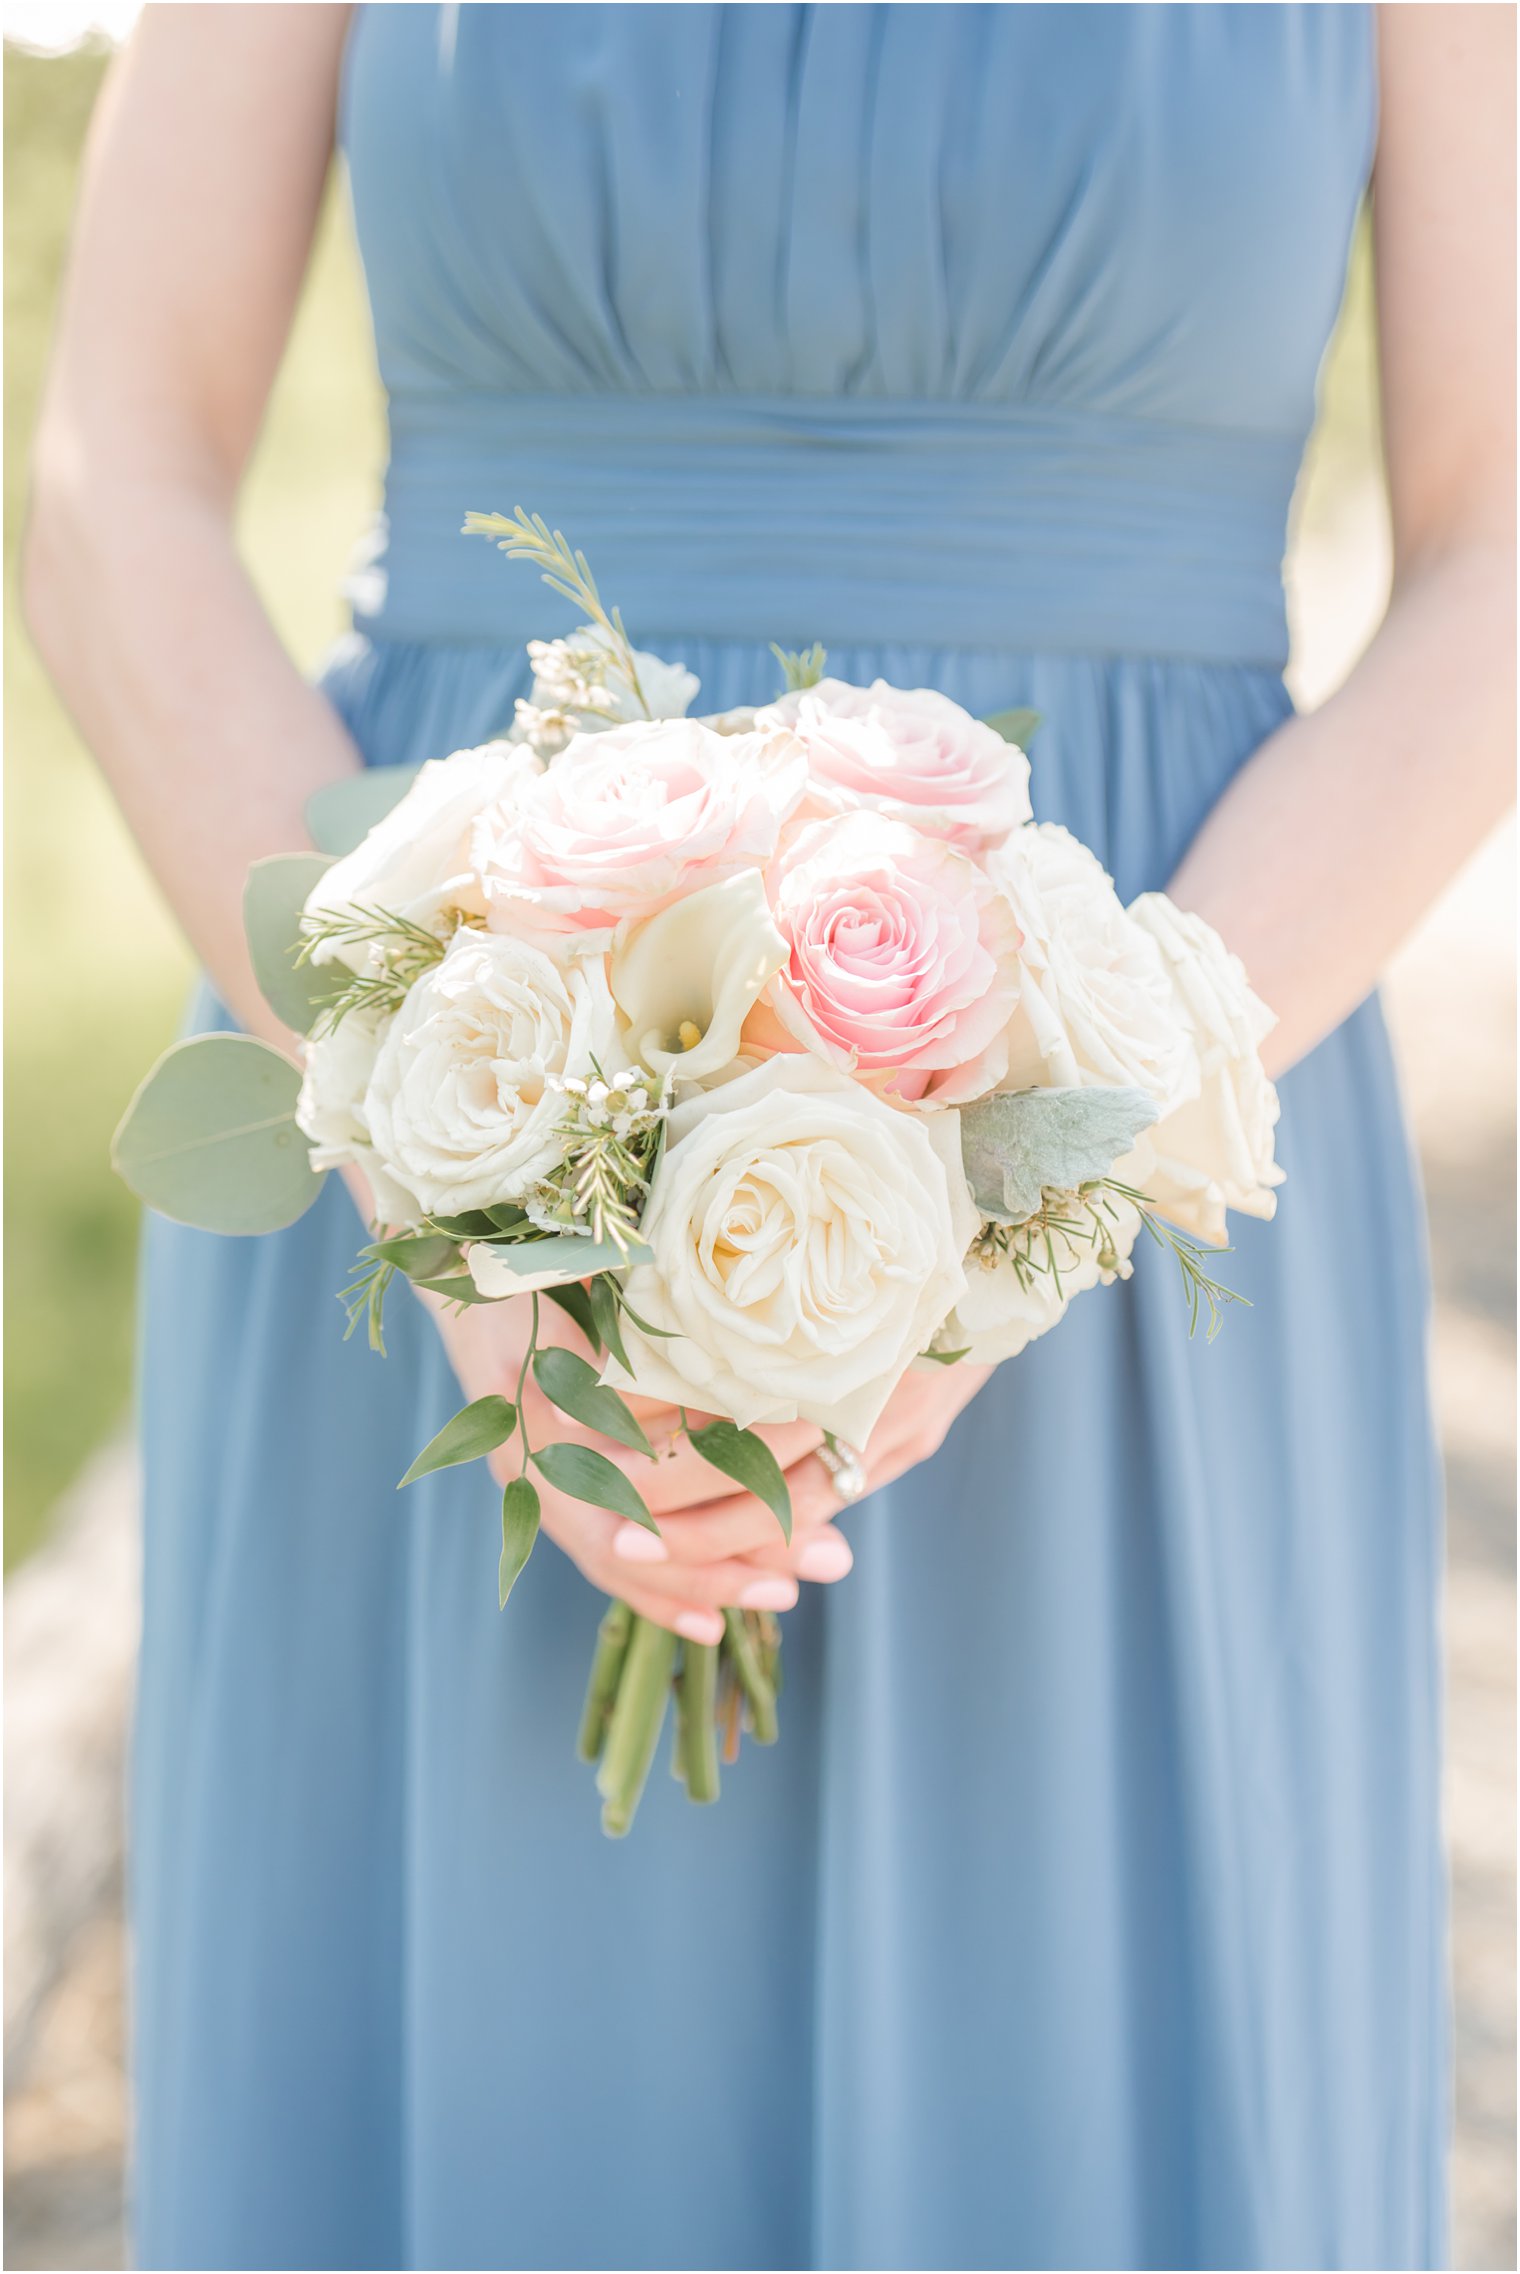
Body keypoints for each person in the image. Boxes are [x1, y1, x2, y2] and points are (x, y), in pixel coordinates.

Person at [24, 6, 1513, 2268]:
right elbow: (114, 461)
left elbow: (1498, 547)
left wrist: (1044, 1187)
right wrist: (447, 1160)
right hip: (444, 1122)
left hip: (1143, 1112)